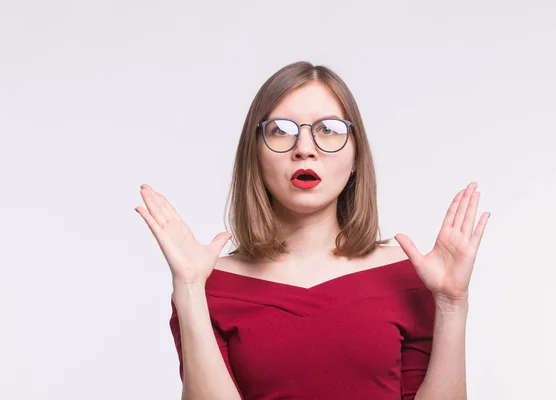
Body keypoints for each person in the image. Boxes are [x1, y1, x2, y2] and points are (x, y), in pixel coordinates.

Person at [135, 61, 490, 400]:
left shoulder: (409, 277)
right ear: (255, 156)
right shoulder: (210, 285)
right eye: (281, 131)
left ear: (355, 158)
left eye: (329, 130)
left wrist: (451, 303)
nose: (305, 149)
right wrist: (190, 288)